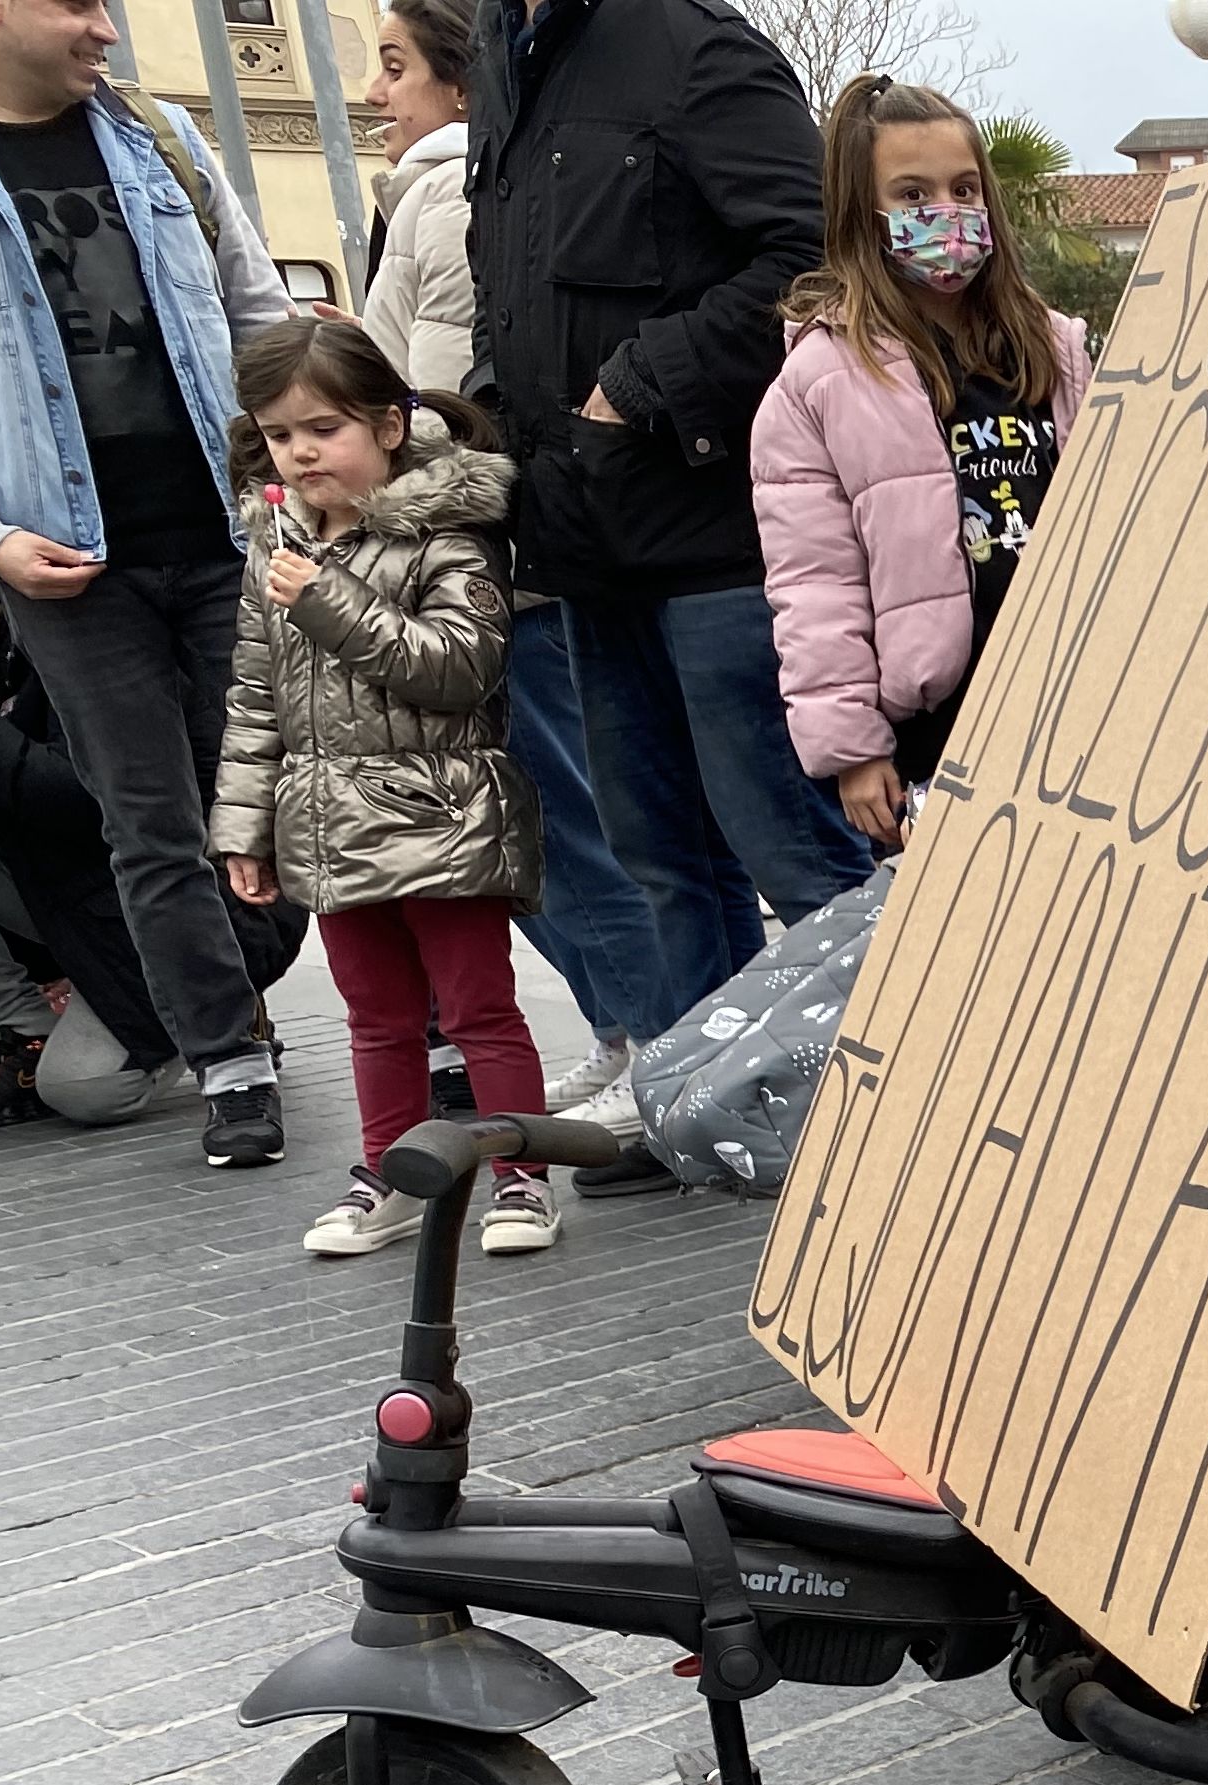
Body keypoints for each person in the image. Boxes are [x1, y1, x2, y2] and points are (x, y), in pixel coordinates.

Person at [471, 0, 870, 1196]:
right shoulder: (511, 59)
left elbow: (811, 253)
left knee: (794, 854)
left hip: (723, 541)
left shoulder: (697, 46)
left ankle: (868, 1111)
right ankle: (697, 1105)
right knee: (662, 856)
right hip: (589, 545)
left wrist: (641, 381)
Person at [0, 0, 301, 1169]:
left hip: (233, 540)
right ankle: (232, 1065)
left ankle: (401, 1021)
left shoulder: (166, 141)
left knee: (288, 797)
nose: (105, 30)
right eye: (76, 4)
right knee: (151, 826)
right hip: (65, 567)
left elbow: (260, 318)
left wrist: (290, 487)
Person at [358, 0, 643, 1123]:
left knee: (558, 823)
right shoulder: (427, 195)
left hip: (479, 566)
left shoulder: (450, 196)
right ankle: (628, 1031)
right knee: (525, 828)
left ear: (463, 86)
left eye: (394, 66)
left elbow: (434, 404)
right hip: (463, 566)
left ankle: (651, 1039)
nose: (377, 93)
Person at [210, 320, 551, 1259]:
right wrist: (245, 828)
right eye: (280, 436)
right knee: (376, 1019)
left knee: (479, 1009)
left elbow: (457, 668)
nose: (302, 452)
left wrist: (322, 596)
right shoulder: (273, 546)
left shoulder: (449, 532)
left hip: (445, 813)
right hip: (327, 824)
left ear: (391, 426)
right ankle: (390, 1177)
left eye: (325, 428)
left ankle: (522, 1177)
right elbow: (252, 699)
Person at [753, 79, 1092, 845]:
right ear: (861, 213)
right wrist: (853, 747)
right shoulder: (818, 383)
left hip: (1079, 695)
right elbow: (815, 583)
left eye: (964, 188)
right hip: (942, 728)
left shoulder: (1057, 351)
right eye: (912, 194)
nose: (947, 211)